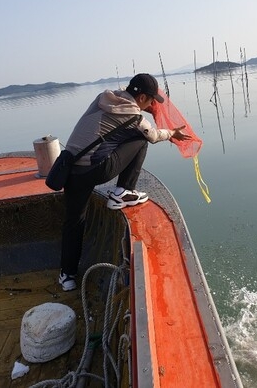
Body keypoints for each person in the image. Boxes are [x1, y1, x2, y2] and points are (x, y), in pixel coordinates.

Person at [58, 73, 190, 291]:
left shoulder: (103, 97)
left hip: (71, 169)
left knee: (74, 222)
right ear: (142, 99)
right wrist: (172, 133)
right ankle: (123, 191)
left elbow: (105, 123)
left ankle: (67, 276)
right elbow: (153, 135)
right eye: (150, 101)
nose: (151, 105)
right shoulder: (135, 116)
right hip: (96, 170)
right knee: (141, 139)